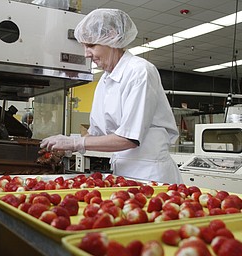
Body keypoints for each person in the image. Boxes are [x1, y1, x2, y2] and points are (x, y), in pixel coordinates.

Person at [40, 9, 183, 184]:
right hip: (123, 172)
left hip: (151, 174)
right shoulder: (105, 80)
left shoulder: (139, 72)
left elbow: (129, 138)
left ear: (112, 36)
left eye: (91, 46)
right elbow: (97, 134)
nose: (86, 53)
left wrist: (76, 142)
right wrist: (65, 147)